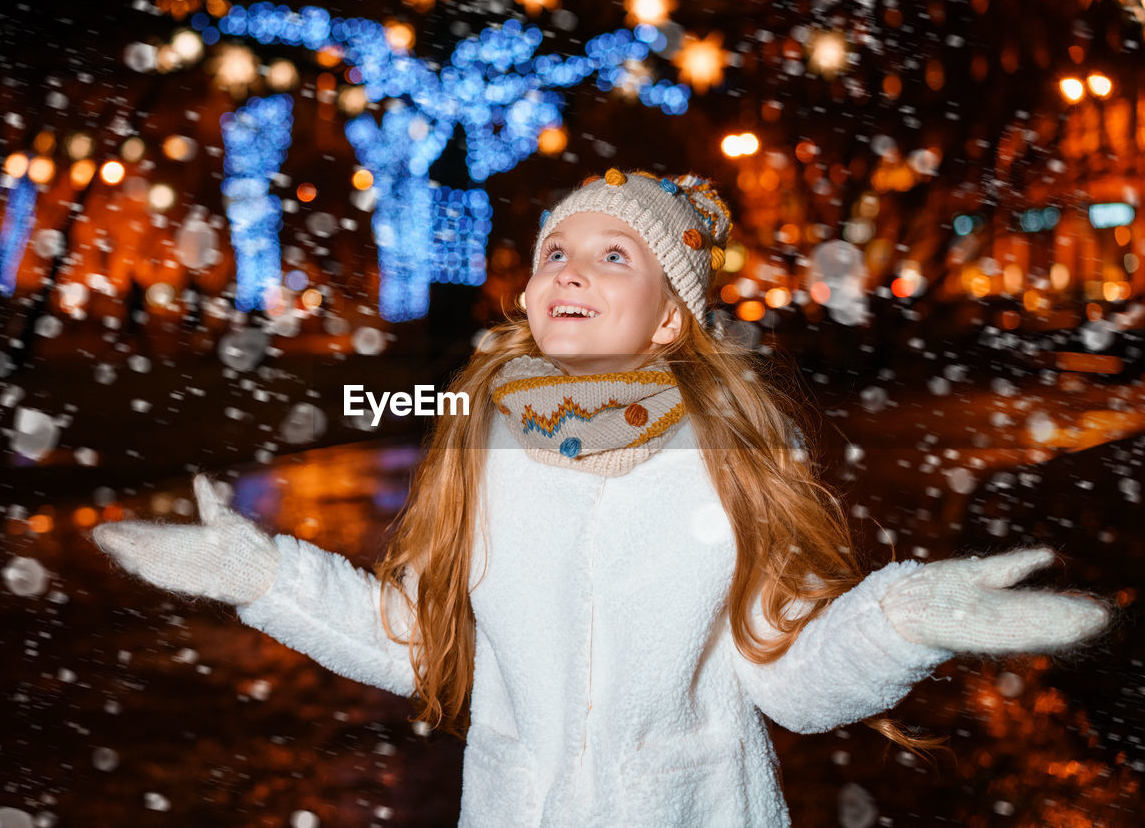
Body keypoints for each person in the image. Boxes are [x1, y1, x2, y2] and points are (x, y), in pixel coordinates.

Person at [92, 167, 1112, 827]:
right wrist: (260, 575)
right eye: (553, 253)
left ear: (670, 320)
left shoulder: (725, 465)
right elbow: (419, 639)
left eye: (609, 255)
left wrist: (903, 618)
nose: (568, 270)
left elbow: (791, 678)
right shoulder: (485, 454)